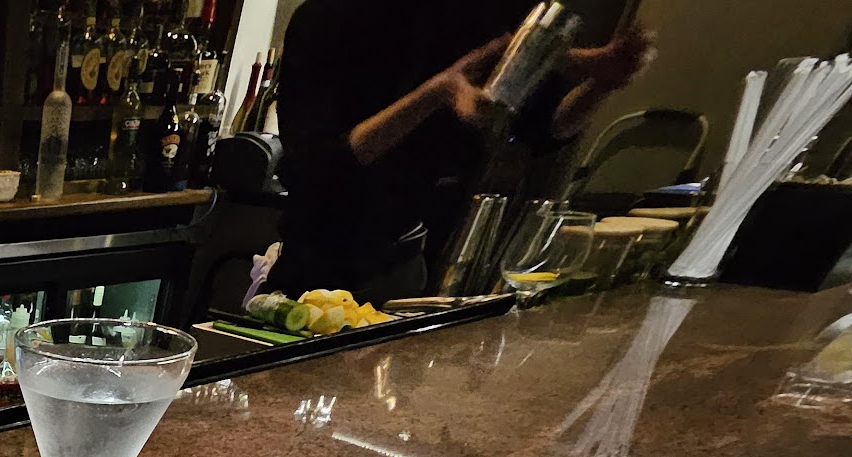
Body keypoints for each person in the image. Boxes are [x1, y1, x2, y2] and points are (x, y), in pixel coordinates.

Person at [272, 0, 653, 303]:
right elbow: (320, 164)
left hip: (412, 260)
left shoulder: (477, 14)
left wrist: (601, 85)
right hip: (317, 263)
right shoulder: (326, 16)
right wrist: (434, 94)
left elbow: (545, 127)